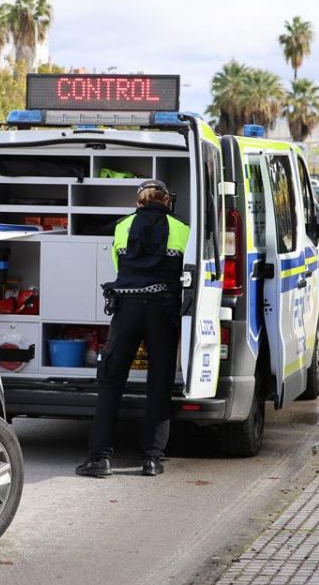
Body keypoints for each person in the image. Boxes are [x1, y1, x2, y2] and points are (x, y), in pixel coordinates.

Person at [76, 180, 189, 478]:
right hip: (163, 309)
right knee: (159, 382)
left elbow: (117, 262)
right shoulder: (182, 229)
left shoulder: (122, 226)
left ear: (138, 203)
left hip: (127, 309)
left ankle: (99, 458)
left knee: (112, 380)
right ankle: (152, 459)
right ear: (167, 202)